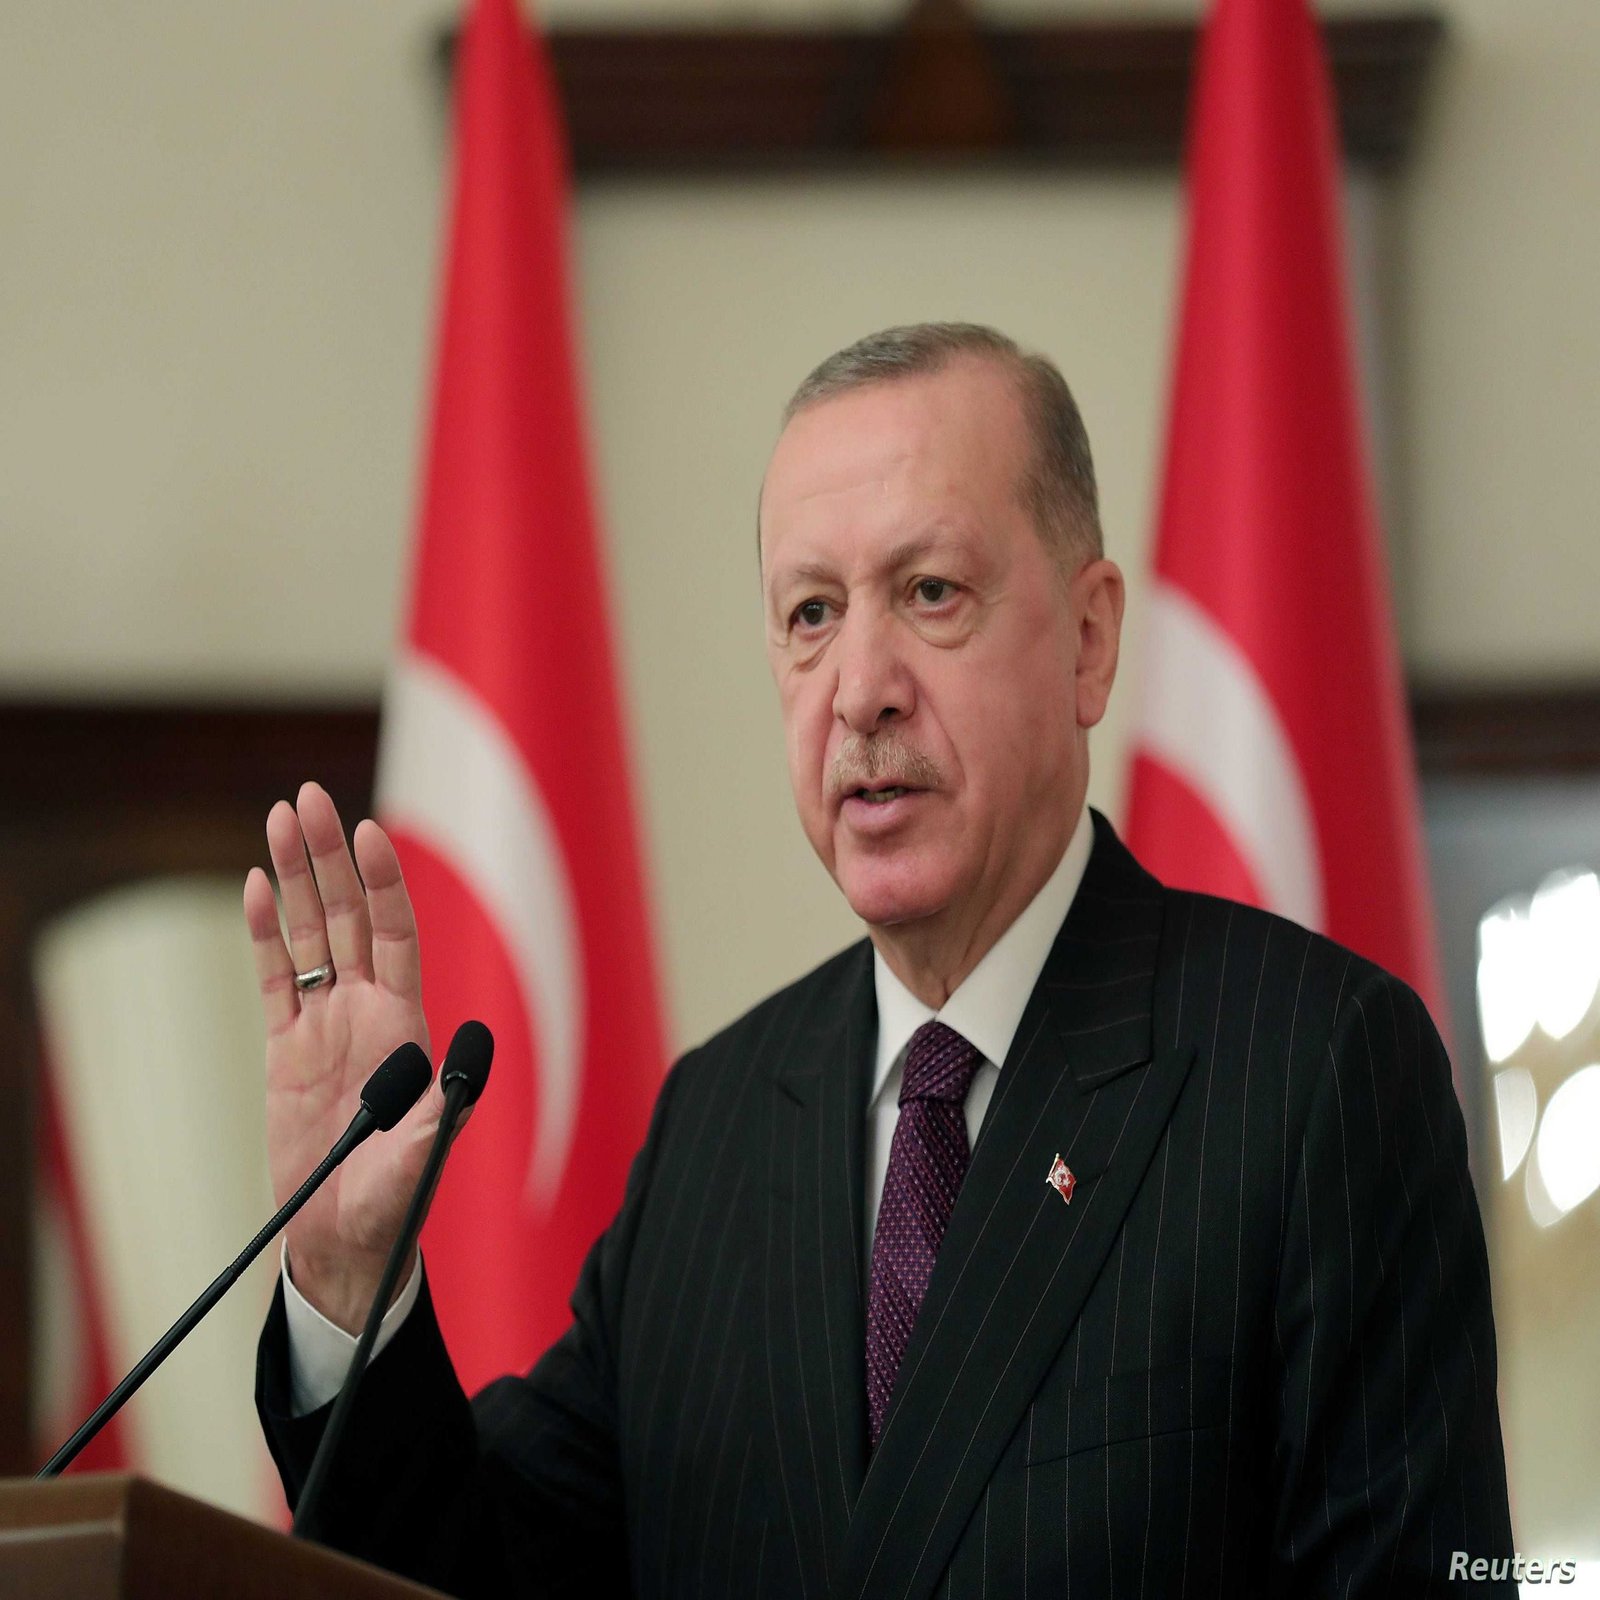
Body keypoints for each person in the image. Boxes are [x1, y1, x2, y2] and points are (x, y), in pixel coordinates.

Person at [249, 323, 1515, 1597]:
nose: (860, 690)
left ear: (1087, 640)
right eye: (810, 613)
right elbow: (467, 1570)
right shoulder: (720, 1124)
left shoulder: (1313, 1070)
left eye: (930, 593)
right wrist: (351, 1278)